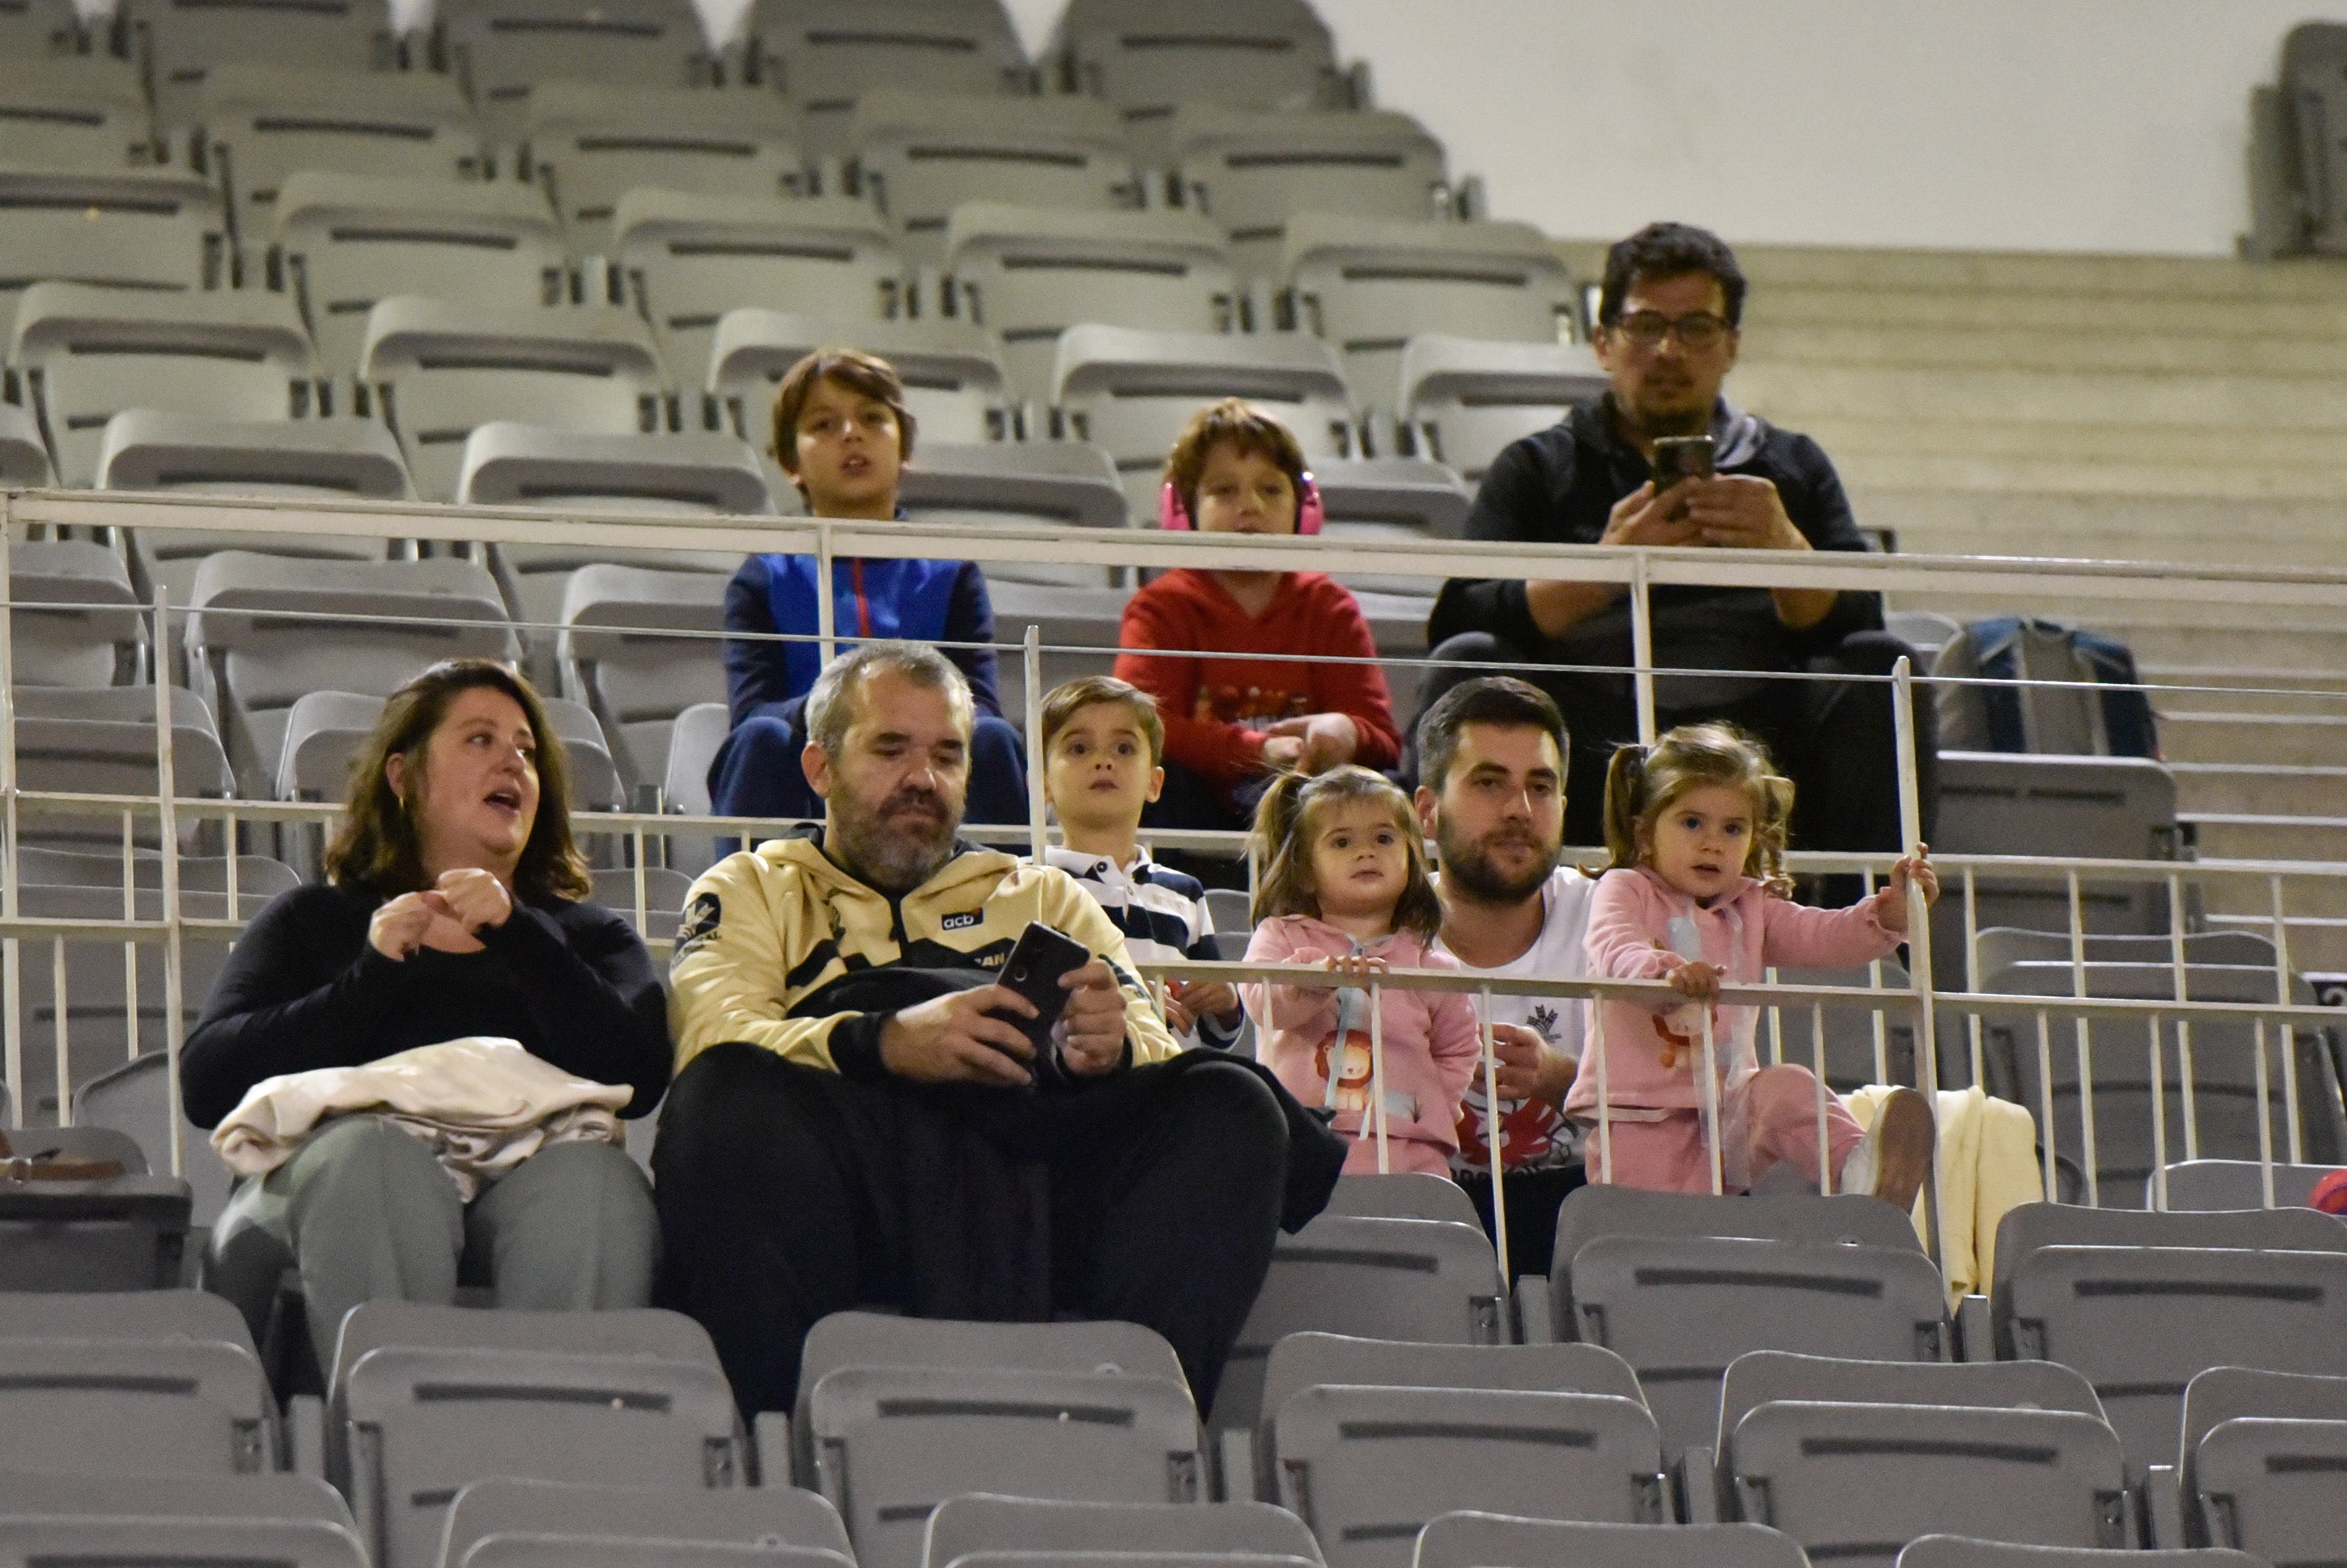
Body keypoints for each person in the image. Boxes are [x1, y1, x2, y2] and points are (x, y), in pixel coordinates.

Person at [655, 641, 1345, 1416]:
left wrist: (1107, 1049)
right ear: (820, 768)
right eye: (890, 749)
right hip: (845, 1191)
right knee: (724, 1096)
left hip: (1037, 1183)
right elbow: (714, 1036)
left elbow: (1156, 1050)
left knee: (1228, 1103)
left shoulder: (1044, 895)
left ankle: (1135, 1425)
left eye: (947, 755)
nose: (922, 777)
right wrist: (883, 1040)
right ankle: (771, 1433)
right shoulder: (751, 885)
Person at [187, 659, 670, 1374]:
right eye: (479, 739)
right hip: (320, 1196)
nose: (512, 761)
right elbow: (207, 1080)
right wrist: (371, 979)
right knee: (375, 1162)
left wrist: (521, 936)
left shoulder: (585, 939)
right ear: (403, 776)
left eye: (527, 750)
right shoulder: (314, 920)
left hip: (522, 1190)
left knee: (595, 1184)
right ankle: (390, 1429)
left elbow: (639, 1072)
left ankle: (562, 1433)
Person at [1422, 222, 1931, 861]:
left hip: (1761, 735)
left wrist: (1785, 551)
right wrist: (1606, 570)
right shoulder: (1538, 467)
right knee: (1470, 658)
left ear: (1731, 345)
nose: (1668, 350)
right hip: (1584, 731)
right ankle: (1445, 906)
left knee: (1881, 665)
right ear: (1603, 343)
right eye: (1644, 326)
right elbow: (1460, 617)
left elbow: (1858, 618)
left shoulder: (1792, 466)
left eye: (1695, 328)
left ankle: (1879, 914)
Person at [1568, 722, 1939, 1203]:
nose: (1713, 843)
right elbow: (1614, 947)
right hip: (1640, 1113)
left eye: (1733, 828)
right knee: (1654, 1227)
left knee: (1789, 1087)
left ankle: (1861, 1174)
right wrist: (1665, 973)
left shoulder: (1751, 906)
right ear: (1644, 833)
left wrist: (1891, 913)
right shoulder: (1625, 888)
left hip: (1731, 1109)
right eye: (1692, 823)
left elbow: (1823, 936)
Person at [708, 347, 1027, 827]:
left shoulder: (951, 572)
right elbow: (752, 711)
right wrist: (856, 716)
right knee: (759, 739)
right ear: (791, 463)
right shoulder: (764, 578)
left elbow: (976, 702)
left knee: (992, 737)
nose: (851, 434)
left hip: (927, 770)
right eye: (823, 425)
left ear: (904, 449)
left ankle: (1003, 879)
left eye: (873, 418)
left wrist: (902, 725)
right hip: (814, 777)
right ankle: (757, 880)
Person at [1115, 399, 1399, 845]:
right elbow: (1141, 722)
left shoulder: (1329, 608)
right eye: (1224, 491)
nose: (1249, 506)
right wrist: (1256, 750)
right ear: (1183, 511)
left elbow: (1382, 738)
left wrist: (1347, 733)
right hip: (1196, 814)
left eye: (1270, 490)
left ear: (1303, 509)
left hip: (1306, 814)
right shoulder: (1162, 608)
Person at [1412, 675, 1590, 1275]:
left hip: (1583, 1207)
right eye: (1489, 783)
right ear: (1427, 811)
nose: (1519, 810)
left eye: (1540, 787)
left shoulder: (1610, 920)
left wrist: (1561, 1079)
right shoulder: (1373, 929)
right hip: (1423, 1207)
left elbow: (1691, 1105)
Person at [1243, 766, 1482, 1176]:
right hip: (1302, 1138)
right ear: (1305, 871)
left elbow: (1459, 1049)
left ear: (1411, 858)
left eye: (1384, 839)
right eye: (1342, 842)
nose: (1366, 852)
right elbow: (1262, 1004)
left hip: (1409, 1149)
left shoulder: (1432, 965)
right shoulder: (1280, 936)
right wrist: (1314, 980)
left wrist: (1431, 1105)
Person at [1035, 675, 1242, 1050]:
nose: (1103, 761)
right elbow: (1030, 1006)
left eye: (1124, 749)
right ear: (1043, 783)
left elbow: (1218, 1033)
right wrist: (1128, 998)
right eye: (1079, 748)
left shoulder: (1185, 892)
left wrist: (1226, 1004)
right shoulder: (1033, 883)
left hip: (1170, 1075)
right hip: (1078, 1076)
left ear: (1154, 783)